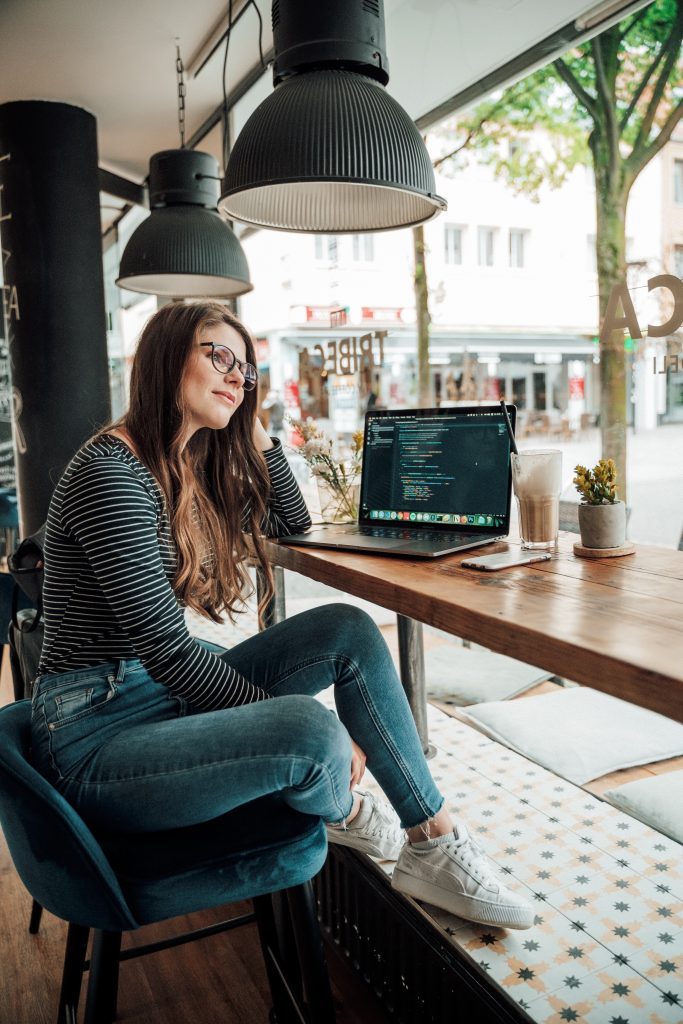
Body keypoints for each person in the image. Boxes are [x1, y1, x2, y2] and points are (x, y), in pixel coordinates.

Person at [30, 301, 533, 931]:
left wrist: (254, 428)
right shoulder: (111, 473)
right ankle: (343, 808)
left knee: (346, 631)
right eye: (218, 356)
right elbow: (169, 652)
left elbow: (292, 523)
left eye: (246, 368)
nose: (238, 377)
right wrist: (302, 724)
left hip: (152, 698)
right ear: (164, 359)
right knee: (310, 732)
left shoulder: (179, 463)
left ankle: (432, 840)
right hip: (95, 738)